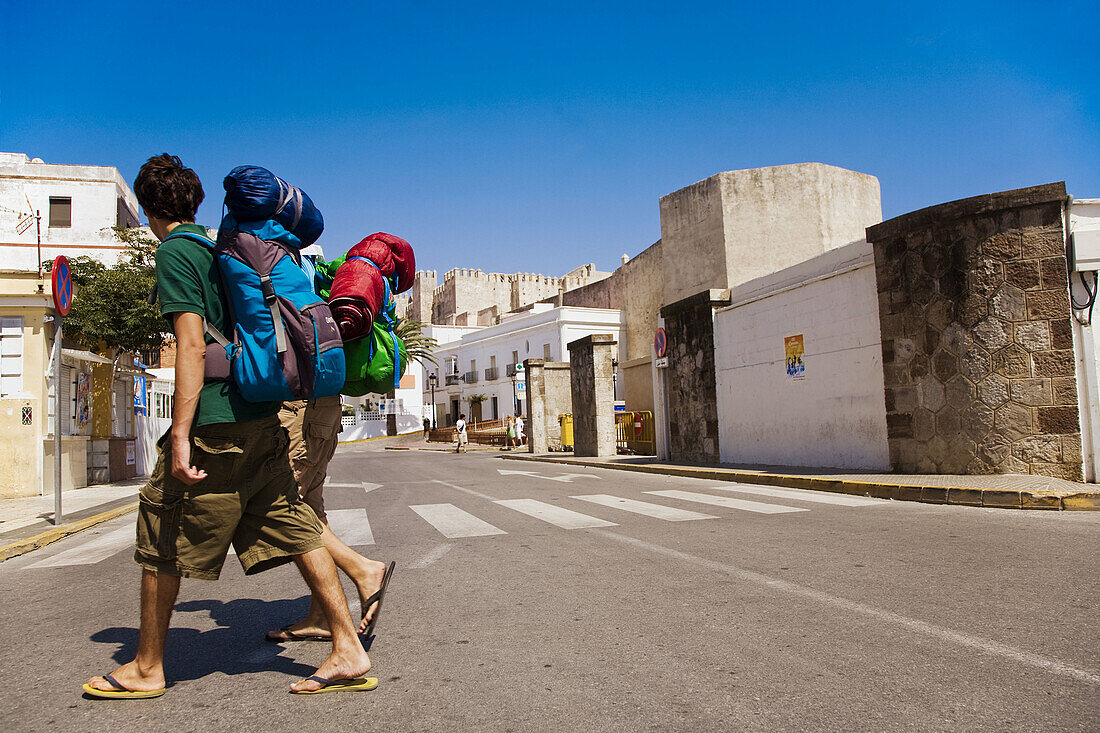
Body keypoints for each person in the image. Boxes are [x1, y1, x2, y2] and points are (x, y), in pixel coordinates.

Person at [83, 154, 371, 699]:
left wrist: (181, 433)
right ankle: (347, 646)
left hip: (217, 422)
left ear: (147, 210)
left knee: (163, 532)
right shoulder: (227, 245)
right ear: (194, 201)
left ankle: (146, 667)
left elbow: (192, 344)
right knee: (295, 524)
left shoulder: (176, 254)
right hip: (259, 413)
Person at [265, 396, 392, 645]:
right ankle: (320, 616)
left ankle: (362, 568)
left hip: (299, 413)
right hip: (319, 411)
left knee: (281, 507)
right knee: (309, 508)